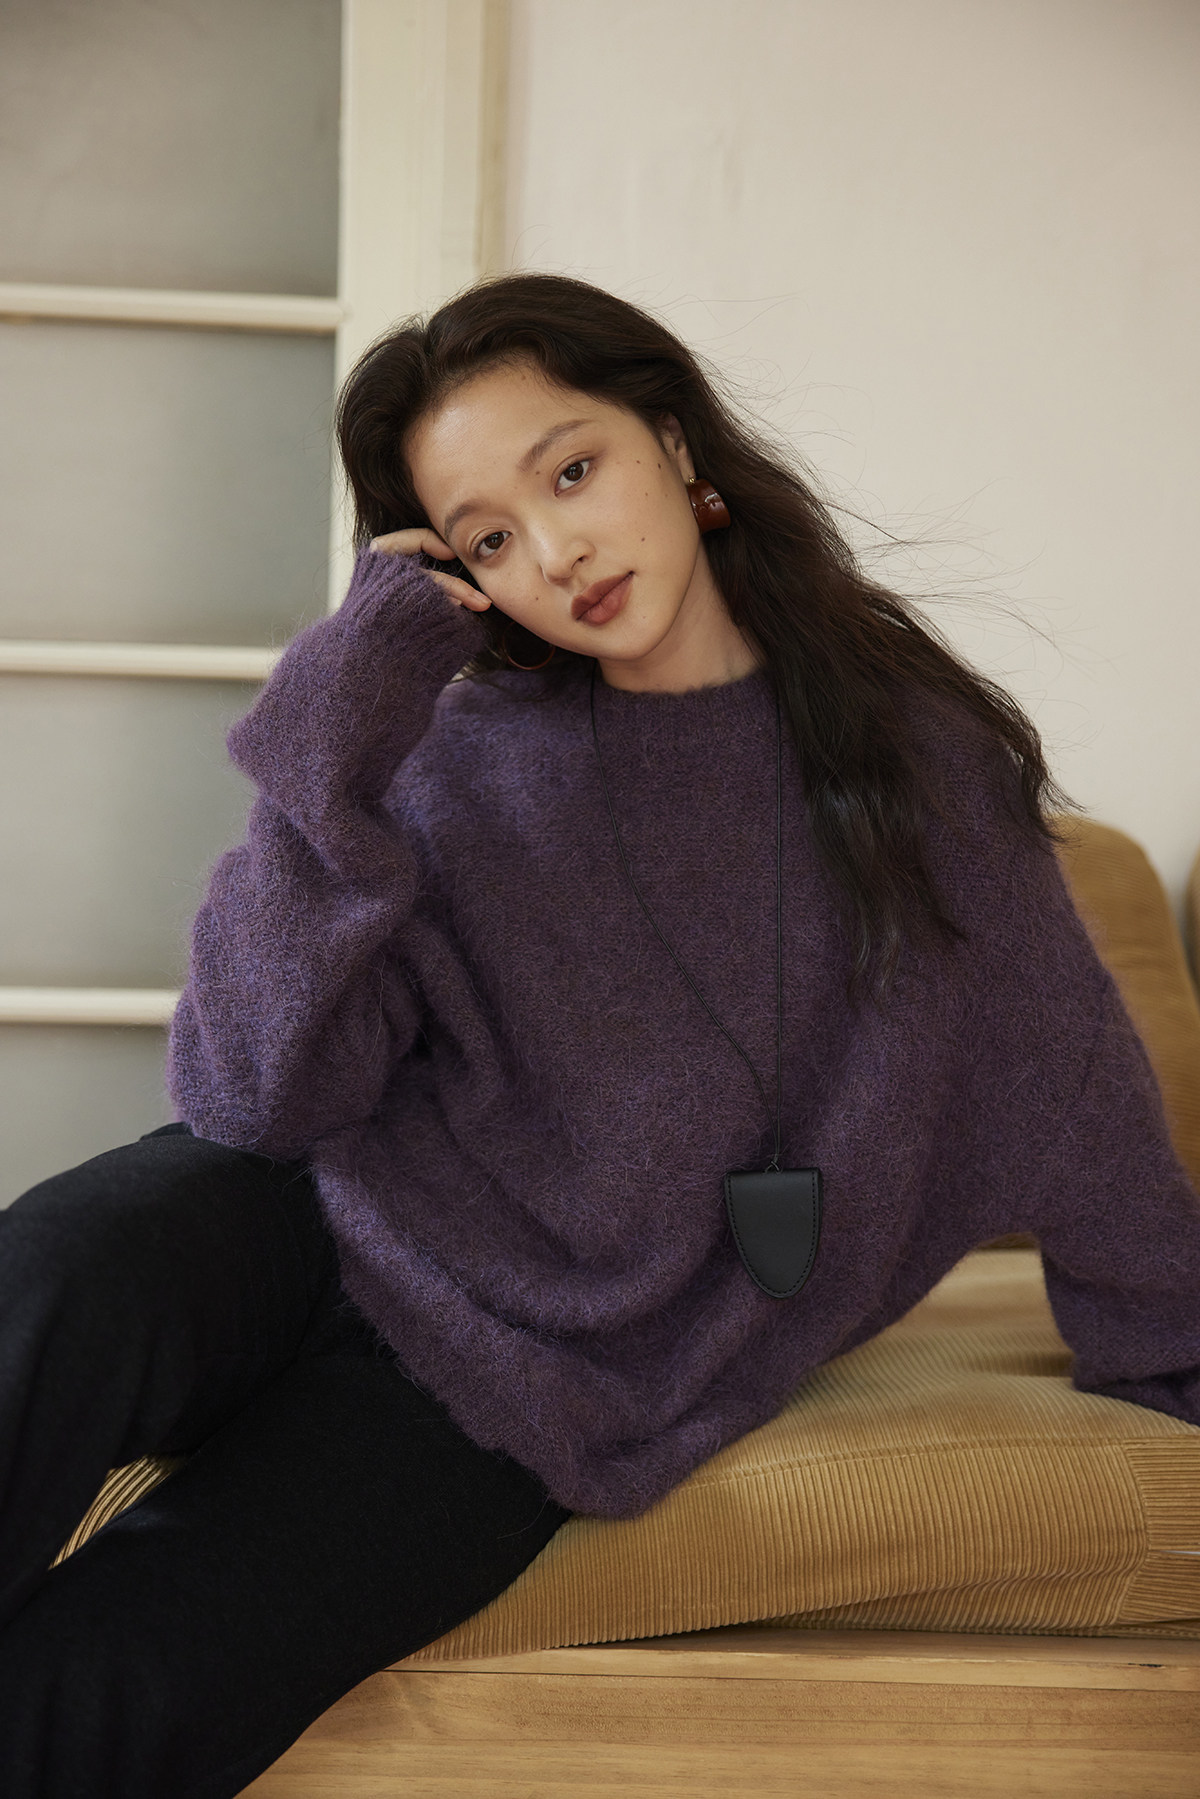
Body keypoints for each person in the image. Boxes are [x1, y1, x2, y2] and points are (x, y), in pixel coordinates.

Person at [2, 272, 1197, 1796]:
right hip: (312, 1217)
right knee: (54, 1277)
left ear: (677, 447)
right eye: (490, 537)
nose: (555, 552)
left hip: (533, 1378)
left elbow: (1067, 1078)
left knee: (131, 1674)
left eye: (571, 472)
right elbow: (250, 1100)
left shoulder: (919, 771)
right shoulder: (455, 750)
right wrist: (334, 745)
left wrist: (1168, 1346)